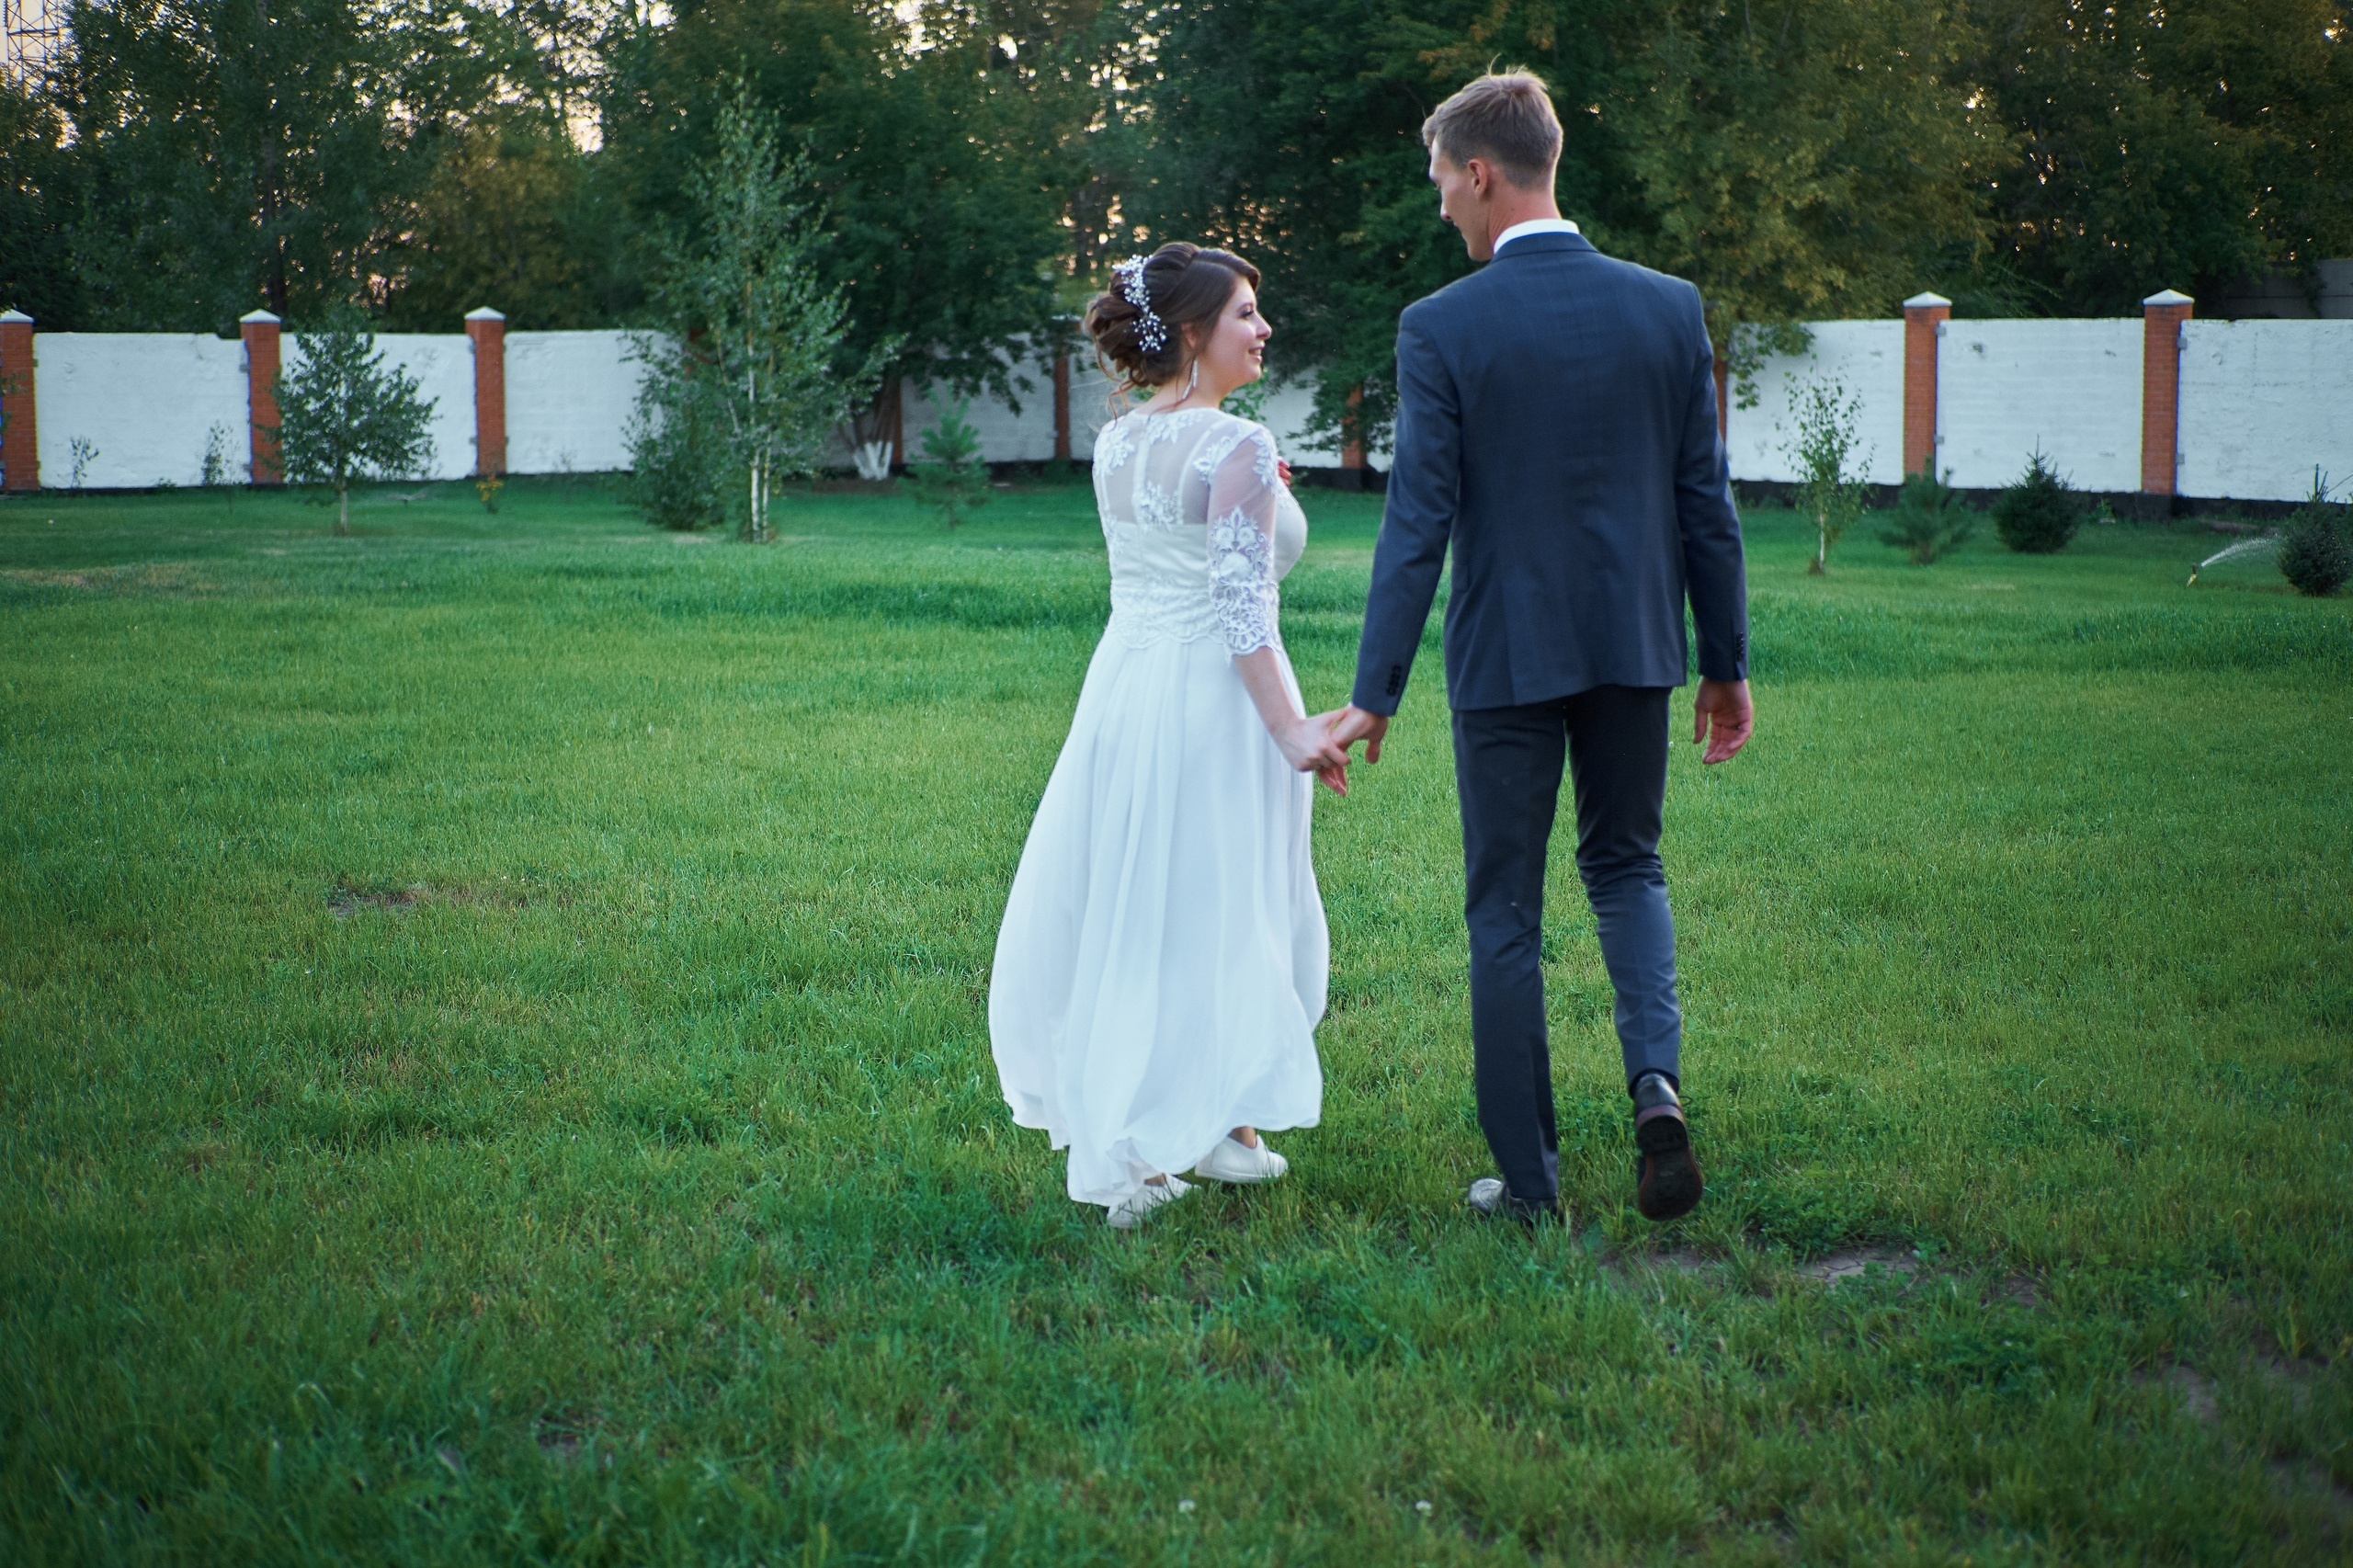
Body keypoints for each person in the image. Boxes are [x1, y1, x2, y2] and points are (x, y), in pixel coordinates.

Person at [1325, 72, 1754, 1226]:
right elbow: (1703, 502)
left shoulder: (1441, 326)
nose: (1440, 212)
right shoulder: (1668, 307)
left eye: (1440, 187)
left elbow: (1416, 520)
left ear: (1480, 171)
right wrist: (1724, 660)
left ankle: (1527, 1182)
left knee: (1504, 910)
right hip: (1636, 644)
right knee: (1627, 868)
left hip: (1505, 656)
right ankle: (1654, 1085)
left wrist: (1375, 692)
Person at [990, 243, 1351, 1230]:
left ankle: (1216, 1127)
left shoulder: (1121, 441)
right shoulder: (1230, 445)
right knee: (1214, 899)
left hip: (1127, 685)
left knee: (1149, 898)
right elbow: (1243, 608)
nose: (1262, 328)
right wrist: (1290, 729)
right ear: (1192, 332)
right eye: (1244, 314)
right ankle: (1141, 1144)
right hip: (1214, 700)